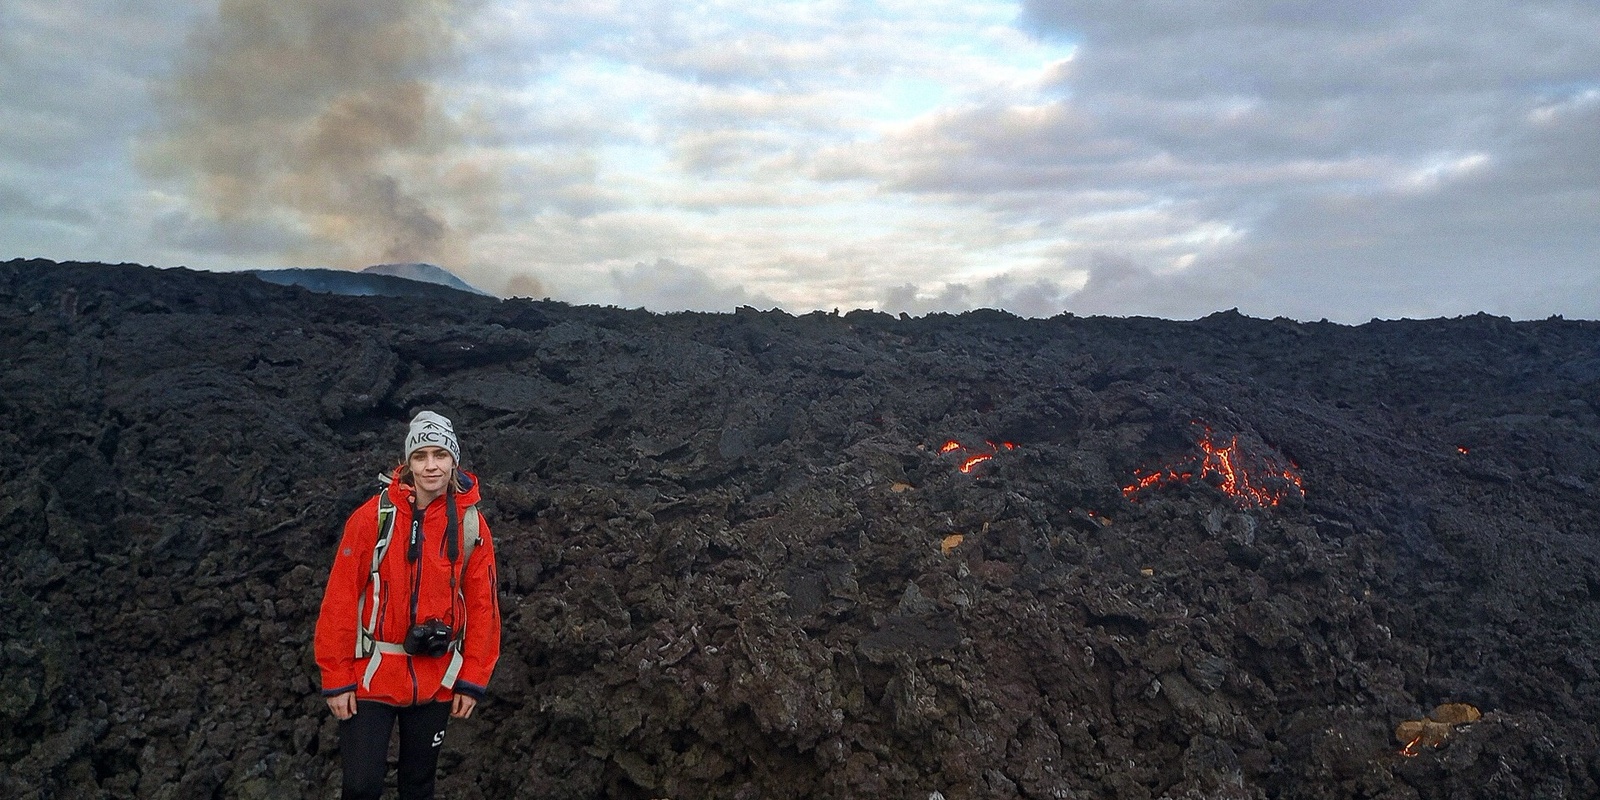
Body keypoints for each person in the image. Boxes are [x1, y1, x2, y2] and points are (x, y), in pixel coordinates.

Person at [315, 411, 501, 799]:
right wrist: (336, 678)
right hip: (370, 676)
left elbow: (484, 605)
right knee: (361, 785)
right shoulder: (373, 518)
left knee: (418, 786)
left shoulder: (471, 524)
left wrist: (473, 677)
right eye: (421, 455)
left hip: (436, 677)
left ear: (454, 460)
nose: (431, 465)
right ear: (407, 462)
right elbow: (341, 597)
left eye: (440, 455)